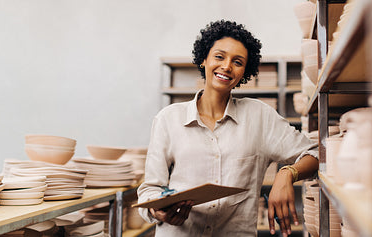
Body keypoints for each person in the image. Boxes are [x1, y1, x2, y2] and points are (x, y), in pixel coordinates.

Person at [137, 20, 319, 237]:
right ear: (204, 59)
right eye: (219, 56)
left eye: (238, 62)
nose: (226, 66)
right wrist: (159, 212)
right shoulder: (168, 119)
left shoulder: (259, 116)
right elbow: (150, 190)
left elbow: (316, 154)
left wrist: (287, 173)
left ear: (245, 72)